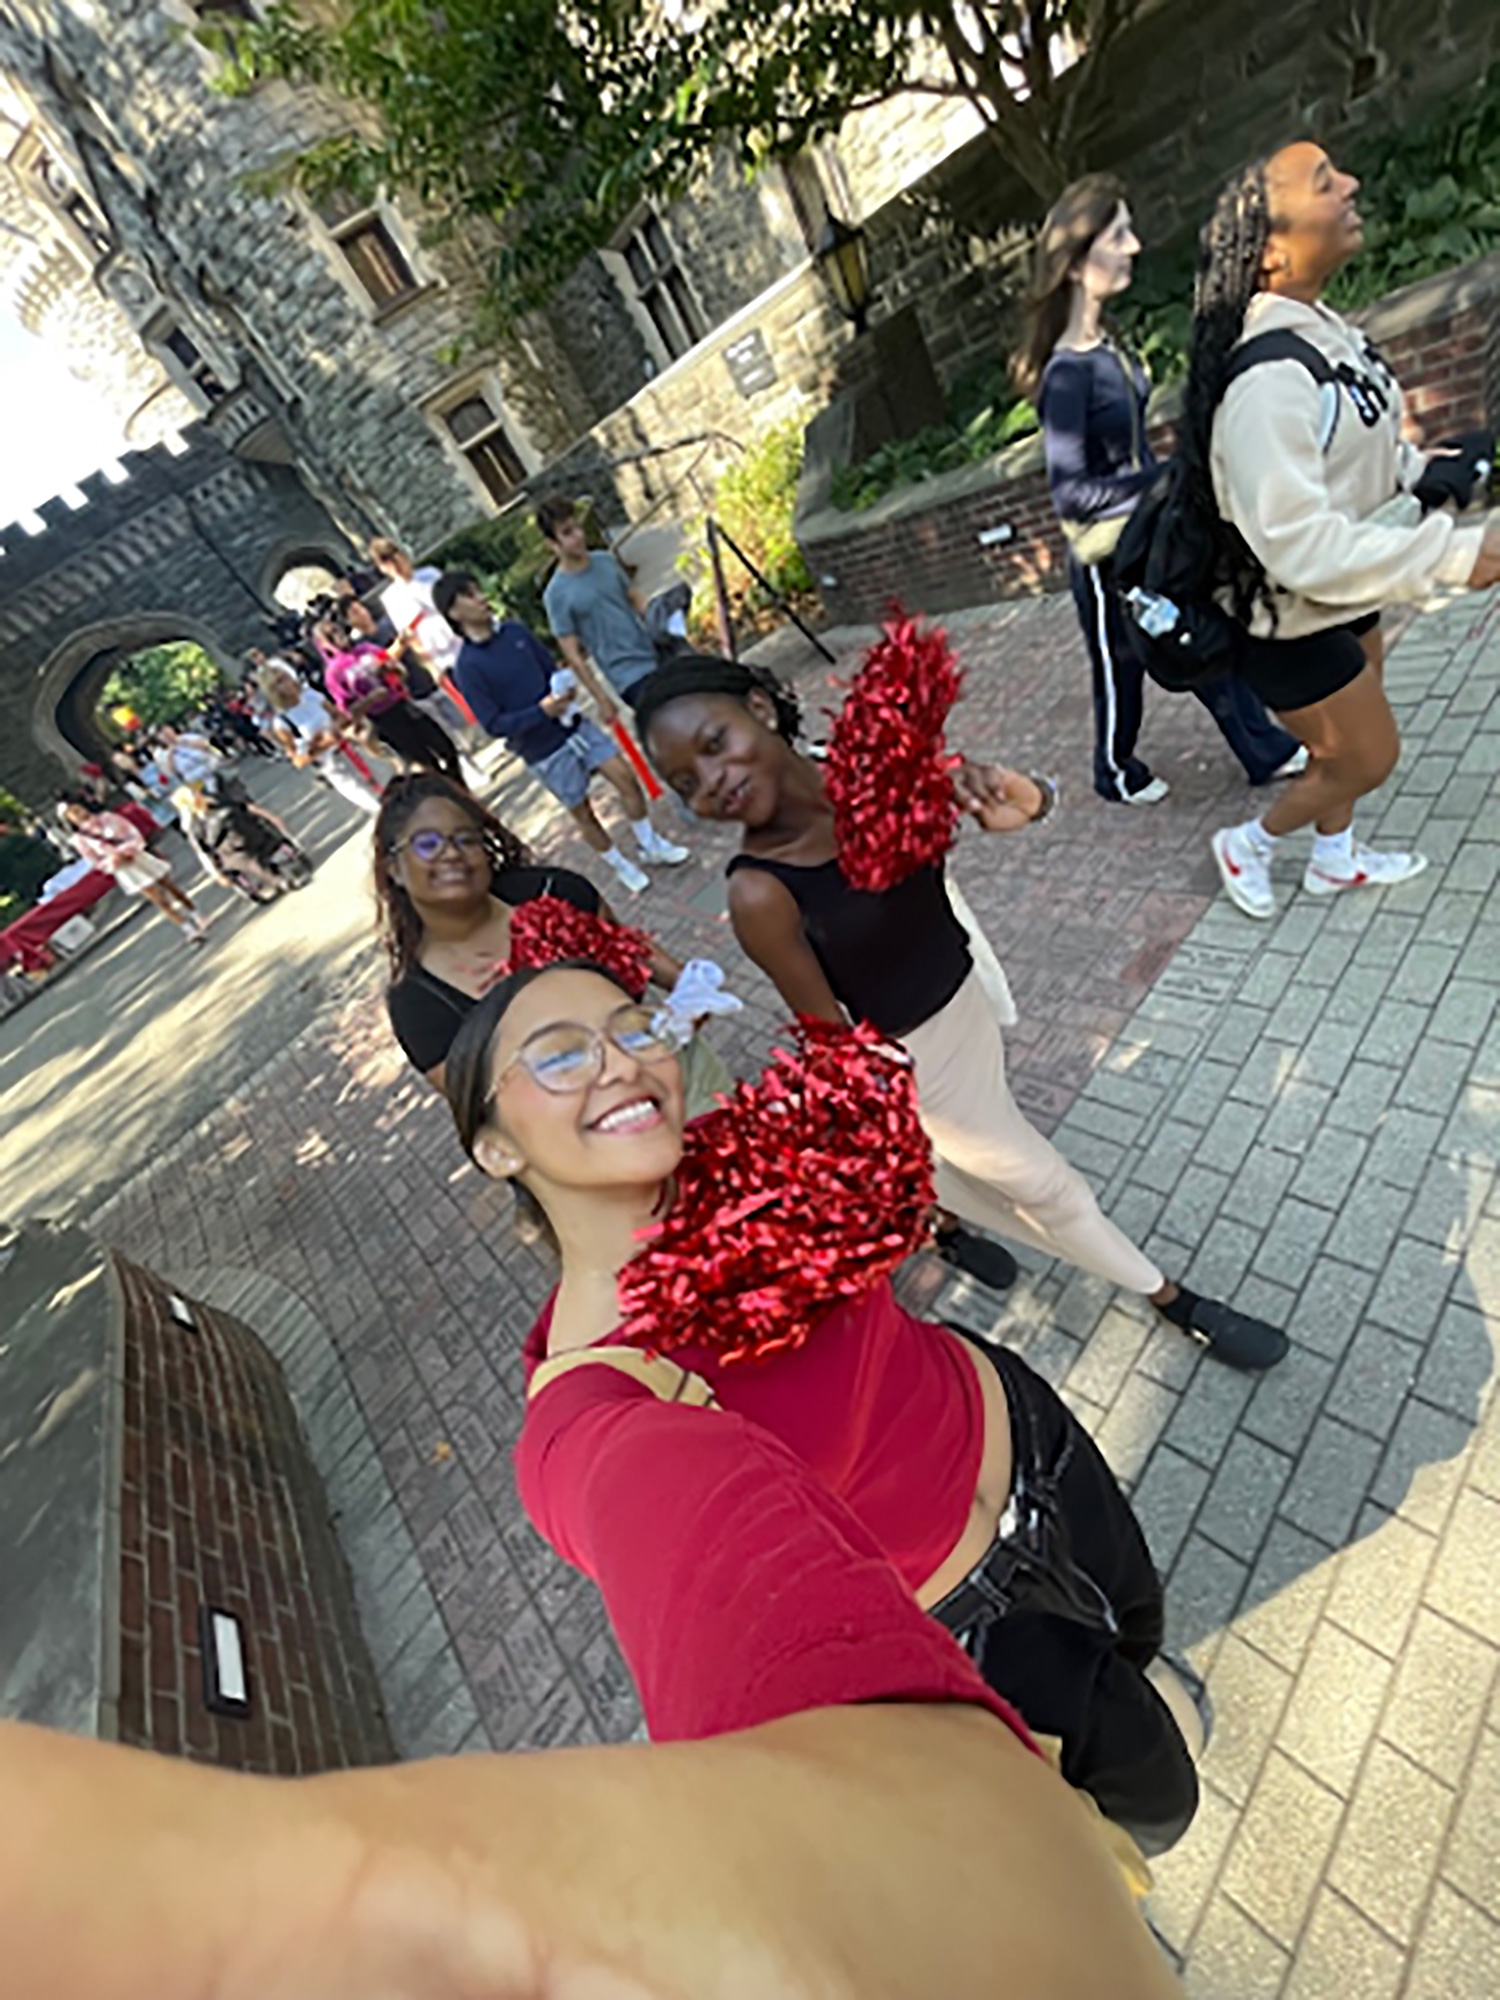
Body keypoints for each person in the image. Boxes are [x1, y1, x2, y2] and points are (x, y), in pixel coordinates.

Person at [447, 956, 1210, 1856]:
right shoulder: (588, 1414)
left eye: (632, 1029)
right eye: (560, 1057)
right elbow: (705, 1628)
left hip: (1022, 1426)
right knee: (1161, 1801)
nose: (619, 1063)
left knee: (1143, 1625)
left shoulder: (752, 1150)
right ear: (494, 1145)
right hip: (977, 1628)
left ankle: (1149, 1668)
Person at [637, 653, 1289, 1372]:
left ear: (760, 708)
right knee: (1046, 1186)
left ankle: (940, 1218)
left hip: (967, 982)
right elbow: (831, 1040)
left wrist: (1026, 796)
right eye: (686, 784)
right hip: (917, 1060)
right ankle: (1171, 1300)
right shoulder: (760, 892)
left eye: (714, 744)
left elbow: (999, 801)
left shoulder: (858, 765)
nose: (712, 783)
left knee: (972, 1162)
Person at [1196, 143, 1500, 918]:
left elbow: (1355, 445)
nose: (1353, 184)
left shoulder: (1319, 330)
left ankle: (1334, 860)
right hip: (1290, 617)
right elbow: (1298, 543)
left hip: (1341, 596)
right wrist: (1455, 555)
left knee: (1347, 747)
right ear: (1269, 250)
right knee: (1367, 754)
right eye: (1326, 182)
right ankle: (1249, 845)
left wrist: (1423, 470)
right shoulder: (1265, 380)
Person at [1017, 174, 1306, 805]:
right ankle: (1113, 771)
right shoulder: (1066, 374)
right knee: (1123, 665)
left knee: (1195, 632)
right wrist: (1164, 481)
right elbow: (1071, 494)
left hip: (1151, 533)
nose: (1135, 244)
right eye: (1117, 233)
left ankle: (1266, 750)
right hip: (1104, 556)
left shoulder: (1109, 341)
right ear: (1075, 261)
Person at [375, 771, 726, 1103]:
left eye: (466, 839)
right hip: (590, 1146)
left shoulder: (551, 891)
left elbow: (635, 954)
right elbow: (486, 1108)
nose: (451, 853)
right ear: (394, 868)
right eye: (427, 843)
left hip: (681, 1081)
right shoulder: (417, 1003)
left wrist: (689, 997)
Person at [433, 569, 689, 895]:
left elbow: (550, 668)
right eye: (469, 595)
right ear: (454, 612)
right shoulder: (468, 667)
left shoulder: (515, 631)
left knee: (625, 777)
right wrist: (539, 712)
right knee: (582, 811)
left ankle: (649, 843)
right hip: (543, 750)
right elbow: (494, 724)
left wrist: (564, 690)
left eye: (477, 590)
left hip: (575, 725)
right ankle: (620, 864)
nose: (481, 598)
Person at [537, 495, 661, 714]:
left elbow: (635, 598)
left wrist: (663, 623)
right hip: (627, 677)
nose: (578, 537)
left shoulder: (606, 561)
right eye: (567, 533)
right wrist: (601, 699)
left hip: (655, 655)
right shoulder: (556, 595)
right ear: (551, 544)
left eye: (577, 528)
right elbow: (573, 656)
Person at [317, 612, 468, 787]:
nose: (337, 636)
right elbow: (348, 711)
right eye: (330, 636)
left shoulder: (365, 649)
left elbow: (397, 670)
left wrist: (393, 671)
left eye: (337, 630)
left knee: (446, 747)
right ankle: (452, 795)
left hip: (403, 704)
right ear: (323, 644)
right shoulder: (334, 673)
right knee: (425, 762)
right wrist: (369, 700)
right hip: (383, 719)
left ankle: (458, 786)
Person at [58, 799, 206, 943]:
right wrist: (113, 862)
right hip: (124, 869)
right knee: (158, 899)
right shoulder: (79, 840)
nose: (78, 814)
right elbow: (95, 861)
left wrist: (129, 849)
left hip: (138, 857)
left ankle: (195, 913)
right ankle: (187, 928)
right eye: (72, 813)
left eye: (77, 809)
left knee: (170, 886)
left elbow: (132, 833)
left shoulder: (108, 818)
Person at [256, 660, 384, 816]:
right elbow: (298, 760)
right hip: (335, 767)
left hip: (353, 750)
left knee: (390, 790)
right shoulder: (283, 721)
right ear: (273, 691)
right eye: (279, 683)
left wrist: (339, 726)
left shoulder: (311, 696)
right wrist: (321, 744)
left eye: (285, 677)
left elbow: (340, 716)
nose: (287, 683)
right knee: (377, 807)